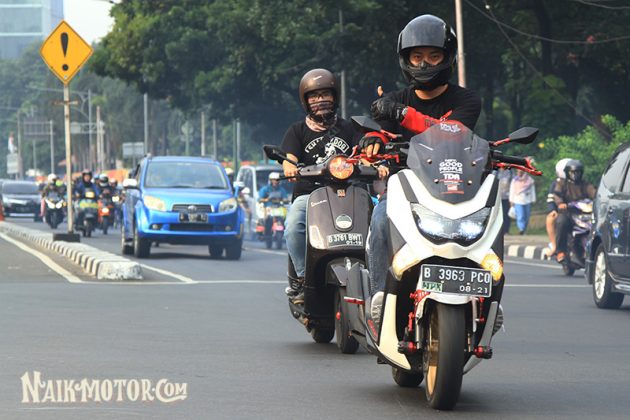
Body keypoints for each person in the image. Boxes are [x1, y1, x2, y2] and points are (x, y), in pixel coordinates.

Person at [360, 14, 482, 335]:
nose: (424, 63)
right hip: (405, 189)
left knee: (489, 222)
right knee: (380, 219)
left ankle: (489, 299)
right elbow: (379, 132)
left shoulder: (467, 100)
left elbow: (451, 132)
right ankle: (380, 296)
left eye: (433, 56)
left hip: (456, 191)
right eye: (417, 56)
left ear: (448, 57)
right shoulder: (393, 100)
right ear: (406, 60)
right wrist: (373, 140)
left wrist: (403, 114)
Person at [281, 68, 364, 304]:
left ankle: (375, 281)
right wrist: (290, 167)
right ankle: (302, 279)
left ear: (335, 97)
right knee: (293, 226)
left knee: (381, 221)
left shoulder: (350, 129)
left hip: (350, 194)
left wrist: (374, 165)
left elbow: (364, 155)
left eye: (325, 94)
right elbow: (289, 159)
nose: (320, 100)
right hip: (311, 196)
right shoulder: (297, 131)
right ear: (306, 101)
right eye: (314, 96)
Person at [552, 159, 596, 263]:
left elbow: (594, 193)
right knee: (561, 222)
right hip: (568, 213)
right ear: (567, 172)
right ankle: (560, 251)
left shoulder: (585, 184)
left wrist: (598, 200)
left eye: (578, 172)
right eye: (572, 172)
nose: (575, 175)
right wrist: (560, 203)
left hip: (584, 214)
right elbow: (556, 195)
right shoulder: (562, 183)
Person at [544, 158, 571, 256]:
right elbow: (551, 199)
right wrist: (553, 210)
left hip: (577, 210)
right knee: (550, 218)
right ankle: (554, 245)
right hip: (561, 211)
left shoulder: (579, 183)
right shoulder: (556, 184)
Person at [509, 167, 536, 235]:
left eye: (521, 172)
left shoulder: (529, 180)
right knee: (520, 216)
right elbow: (512, 191)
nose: (519, 173)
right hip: (517, 200)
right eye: (518, 172)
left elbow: (532, 190)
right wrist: (511, 201)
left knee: (527, 216)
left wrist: (533, 199)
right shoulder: (515, 180)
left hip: (527, 200)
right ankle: (521, 229)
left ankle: (524, 229)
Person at [498, 168, 513, 234]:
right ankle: (499, 231)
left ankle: (506, 230)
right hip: (497, 198)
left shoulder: (510, 172)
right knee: (498, 215)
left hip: (507, 197)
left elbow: (514, 183)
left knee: (506, 214)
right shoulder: (496, 171)